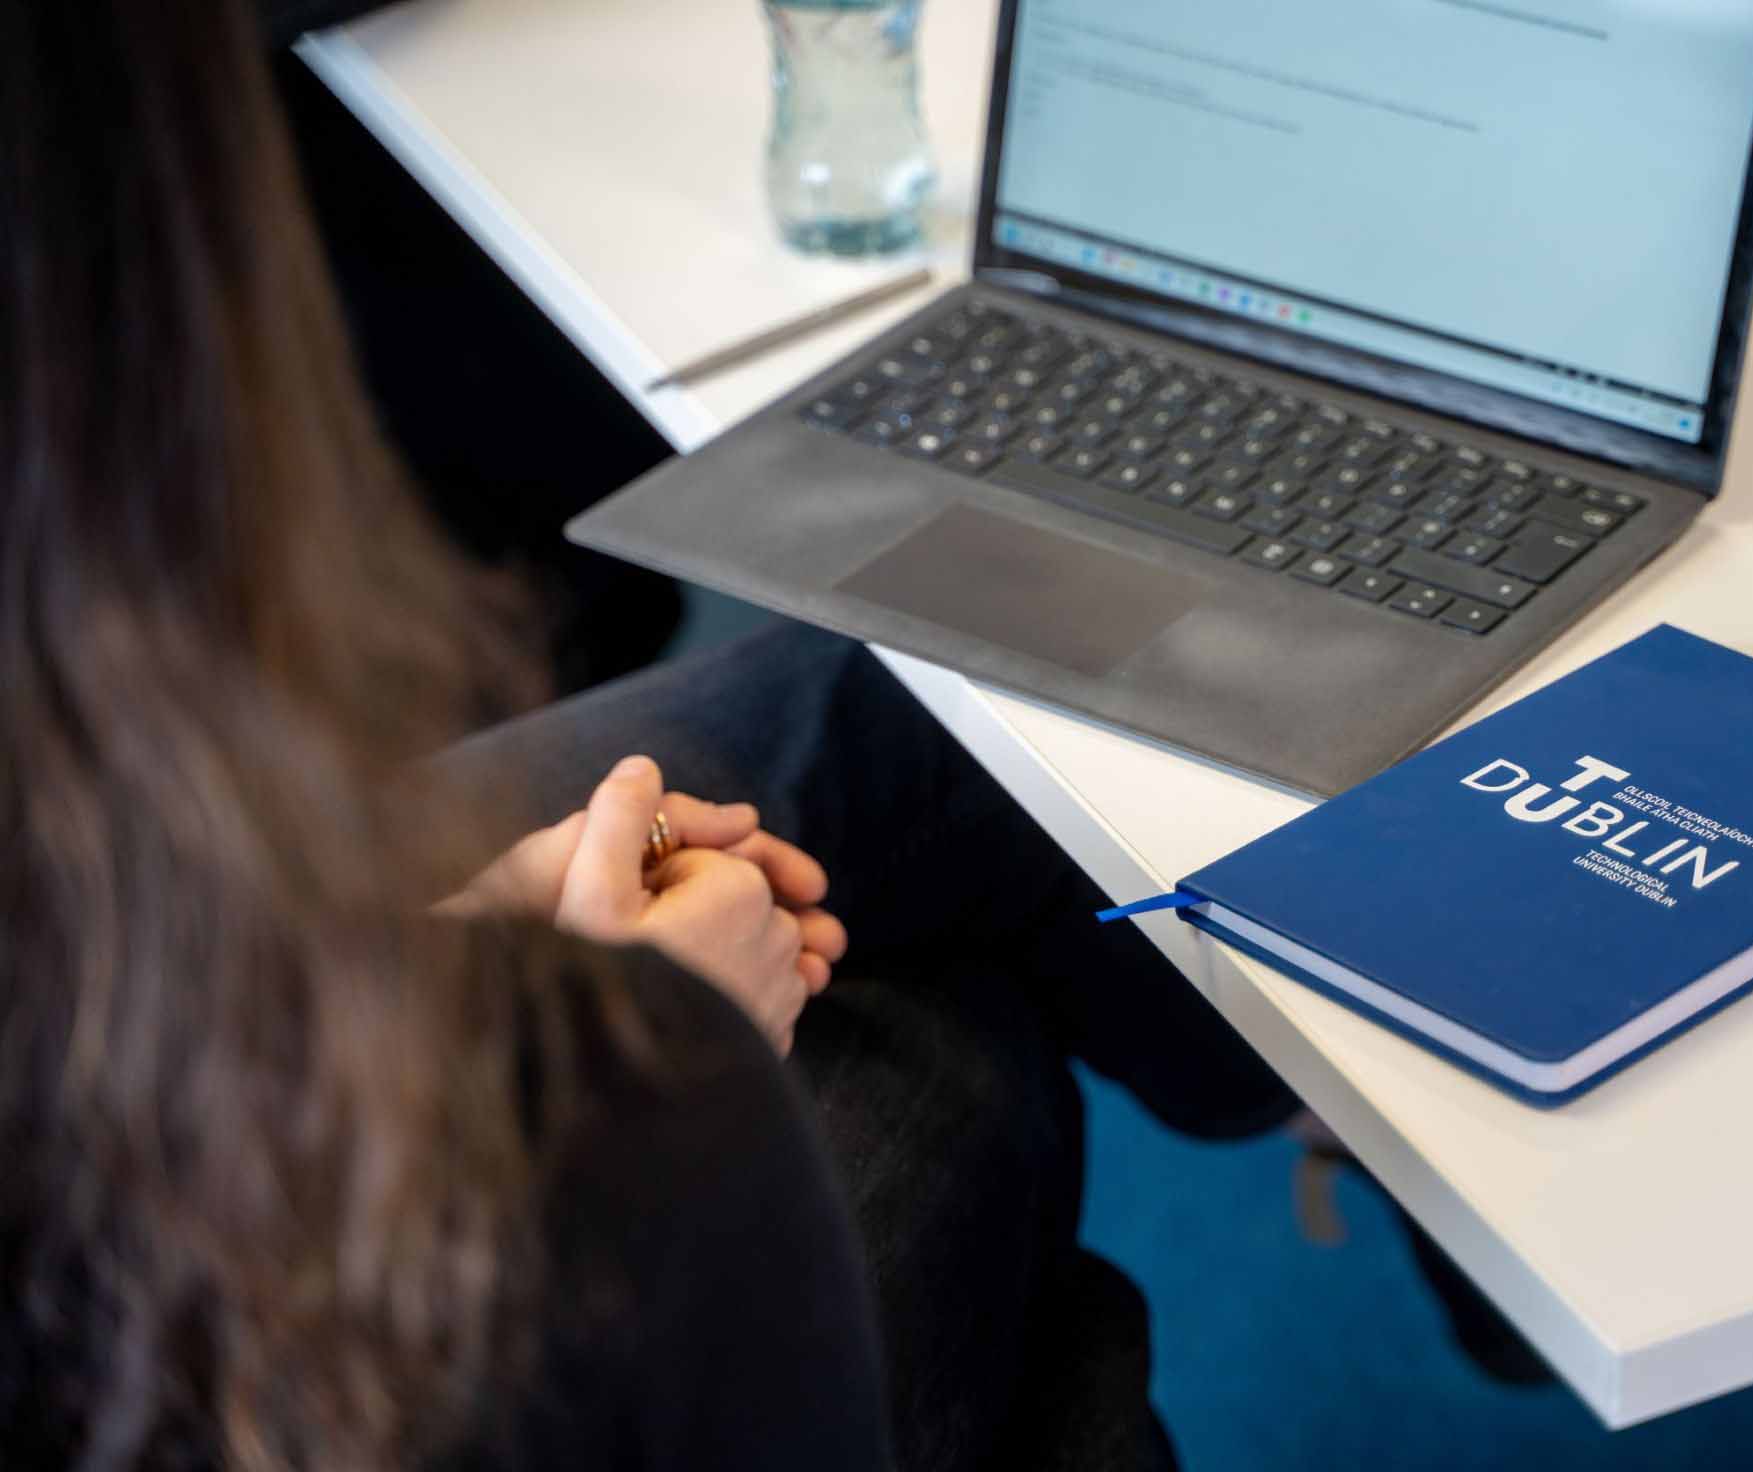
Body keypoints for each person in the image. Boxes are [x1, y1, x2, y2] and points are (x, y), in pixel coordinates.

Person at [0, 3, 1294, 1469]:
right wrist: (632, 1071)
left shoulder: (83, 784)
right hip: (284, 1364)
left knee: (897, 709)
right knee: (942, 1055)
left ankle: (1291, 1085)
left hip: (172, 1092)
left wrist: (479, 937)